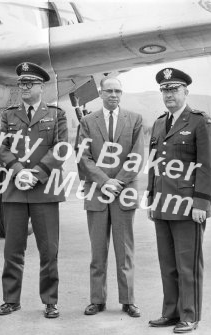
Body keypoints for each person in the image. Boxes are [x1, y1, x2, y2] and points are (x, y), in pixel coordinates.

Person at [147, 68, 211, 333]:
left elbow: (209, 166)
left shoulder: (201, 122)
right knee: (168, 265)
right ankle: (171, 312)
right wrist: (152, 199)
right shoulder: (157, 123)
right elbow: (154, 165)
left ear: (185, 92)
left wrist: (202, 203)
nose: (169, 95)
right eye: (165, 90)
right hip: (163, 206)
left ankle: (189, 315)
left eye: (174, 89)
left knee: (187, 266)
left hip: (188, 207)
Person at [0, 62, 68, 319]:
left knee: (48, 250)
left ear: (41, 86)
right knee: (13, 249)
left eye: (29, 84)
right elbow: (2, 147)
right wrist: (18, 170)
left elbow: (59, 149)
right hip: (15, 190)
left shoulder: (56, 115)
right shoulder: (9, 115)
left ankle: (50, 301)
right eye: (21, 84)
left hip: (45, 191)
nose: (24, 88)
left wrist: (35, 174)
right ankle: (11, 299)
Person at [77, 77, 144, 318]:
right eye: (109, 91)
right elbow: (83, 157)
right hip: (97, 192)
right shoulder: (87, 121)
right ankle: (97, 300)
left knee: (125, 250)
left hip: (124, 193)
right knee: (98, 251)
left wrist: (119, 181)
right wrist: (105, 181)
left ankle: (128, 301)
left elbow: (137, 156)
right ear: (100, 94)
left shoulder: (135, 120)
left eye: (117, 91)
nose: (113, 95)